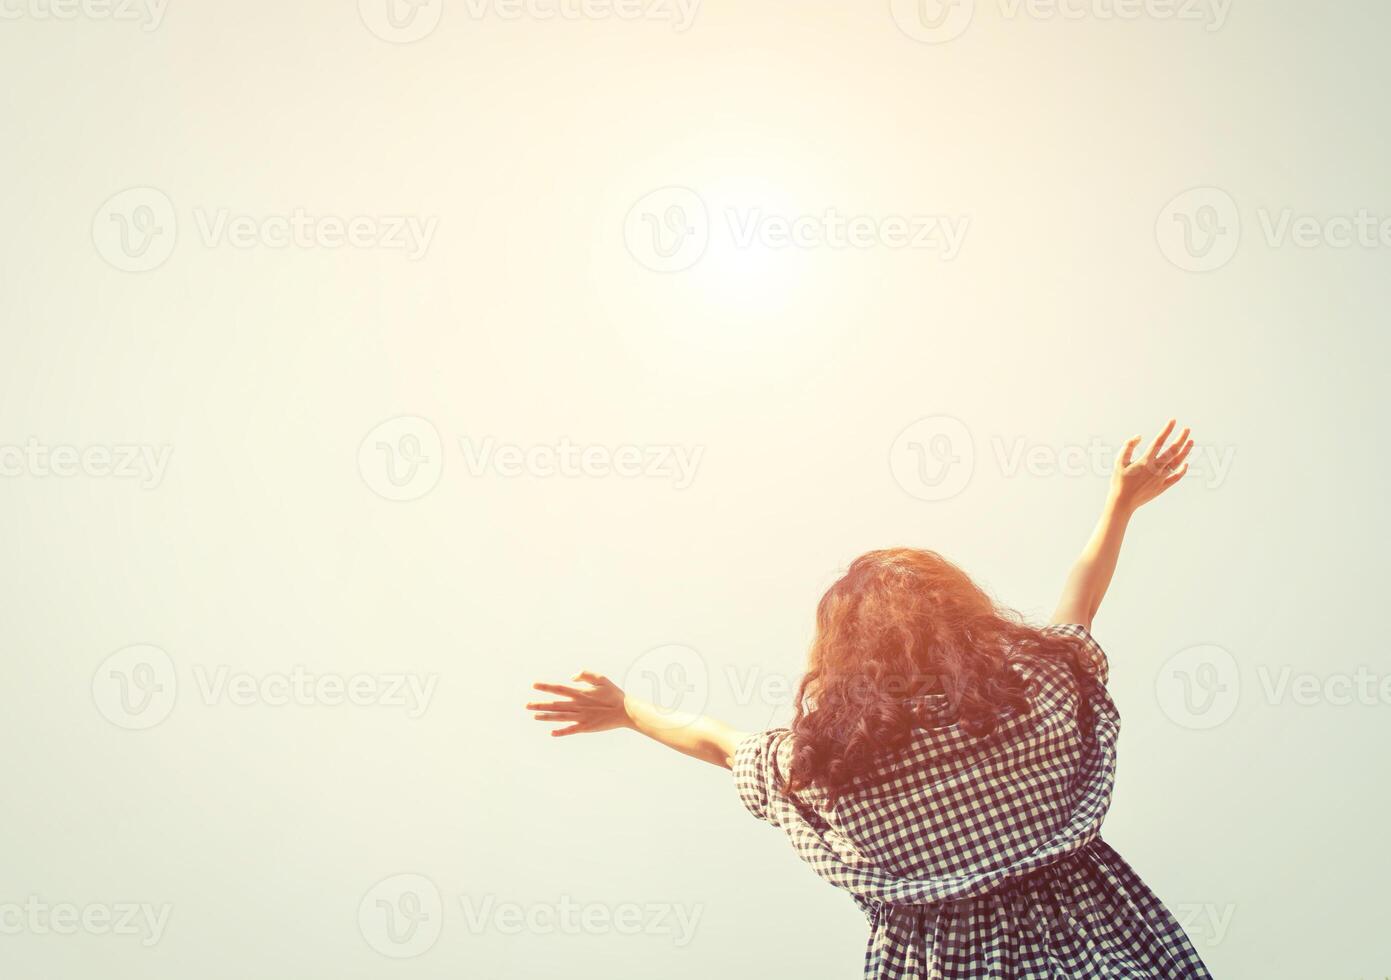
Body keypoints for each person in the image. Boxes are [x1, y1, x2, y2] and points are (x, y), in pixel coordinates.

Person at [527, 419, 1212, 978]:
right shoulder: (1036, 687)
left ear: (840, 655)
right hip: (1112, 954)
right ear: (964, 615)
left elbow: (716, 739)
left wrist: (627, 711)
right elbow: (1079, 602)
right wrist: (1117, 506)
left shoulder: (822, 765)